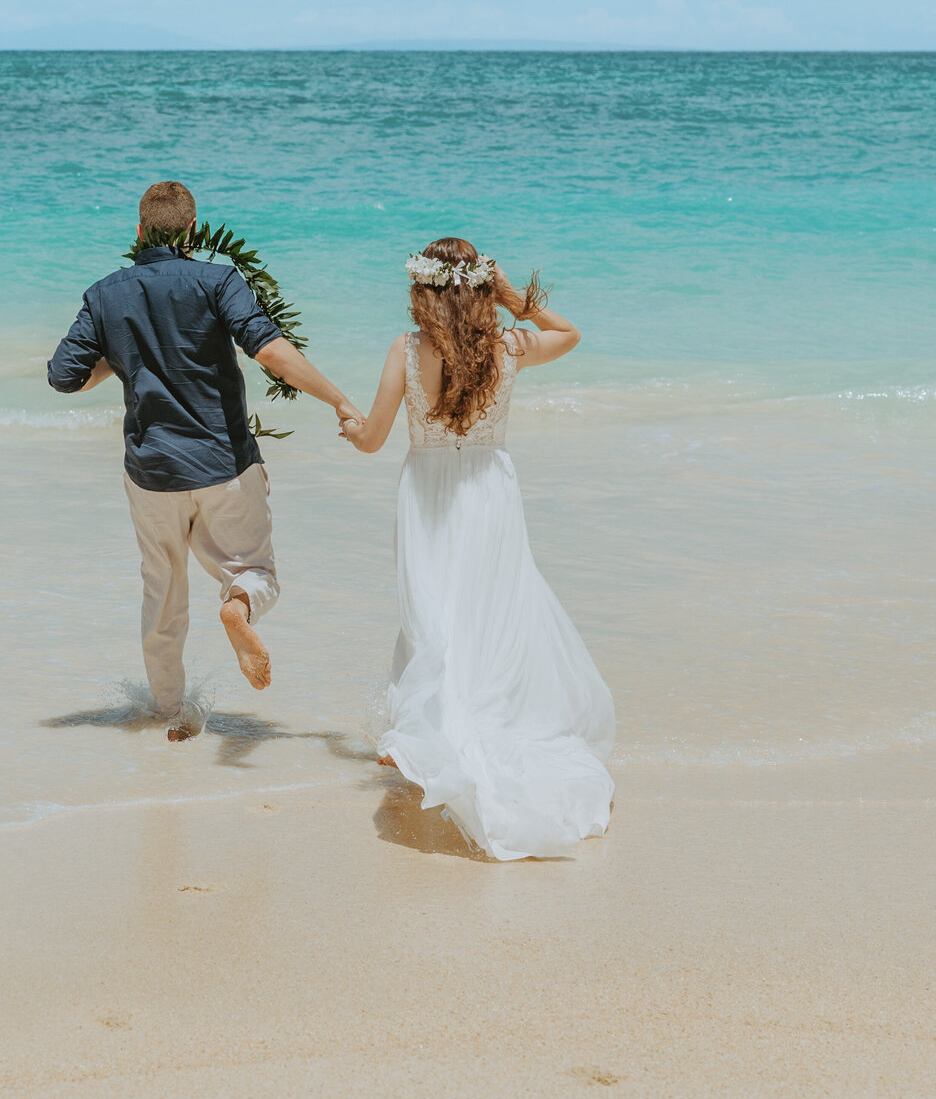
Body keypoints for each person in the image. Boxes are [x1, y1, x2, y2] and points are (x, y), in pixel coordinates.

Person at [48, 180, 361, 741]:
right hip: (225, 463)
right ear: (193, 230)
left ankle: (170, 711)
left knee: (162, 589)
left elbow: (63, 377)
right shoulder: (218, 279)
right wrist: (339, 400)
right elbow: (267, 349)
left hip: (152, 474)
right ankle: (237, 607)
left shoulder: (104, 294)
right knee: (253, 570)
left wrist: (124, 355)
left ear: (139, 232)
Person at [340, 237, 615, 860]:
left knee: (432, 616)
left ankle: (428, 734)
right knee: (490, 615)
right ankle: (461, 728)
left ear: (424, 289)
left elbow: (372, 439)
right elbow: (568, 333)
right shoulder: (509, 344)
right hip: (489, 489)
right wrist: (514, 298)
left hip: (429, 492)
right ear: (483, 288)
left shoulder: (408, 349)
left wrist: (352, 424)